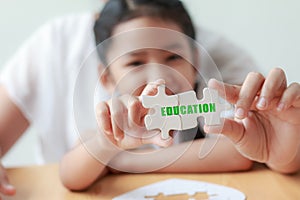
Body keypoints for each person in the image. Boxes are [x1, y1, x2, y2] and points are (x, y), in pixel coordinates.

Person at [0, 0, 298, 197]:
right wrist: (108, 146)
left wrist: (123, 161)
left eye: (173, 58)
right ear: (105, 76)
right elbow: (70, 174)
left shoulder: (212, 91)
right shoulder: (110, 125)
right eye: (135, 63)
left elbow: (241, 153)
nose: (158, 75)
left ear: (195, 63)